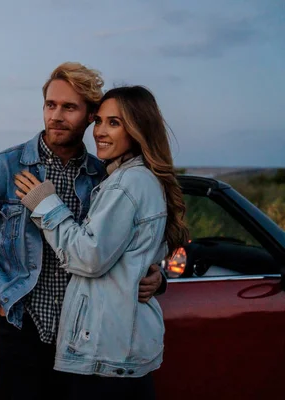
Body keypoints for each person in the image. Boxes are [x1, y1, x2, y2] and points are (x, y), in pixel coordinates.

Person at [0, 62, 166, 400]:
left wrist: (156, 276)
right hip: (22, 332)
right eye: (51, 105)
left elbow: (129, 241)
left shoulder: (104, 176)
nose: (56, 116)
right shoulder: (1, 170)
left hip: (85, 340)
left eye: (69, 107)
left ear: (90, 115)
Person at [14, 85, 189, 399]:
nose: (100, 132)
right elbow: (141, 251)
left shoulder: (127, 184)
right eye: (99, 121)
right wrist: (153, 277)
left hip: (107, 354)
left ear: (138, 130)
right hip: (118, 348)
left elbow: (88, 257)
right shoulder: (135, 178)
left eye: (115, 123)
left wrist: (45, 204)